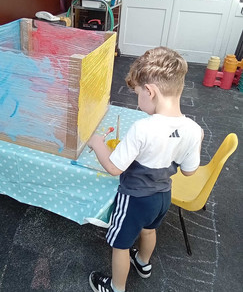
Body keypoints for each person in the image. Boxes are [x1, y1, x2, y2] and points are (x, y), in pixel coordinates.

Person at [87, 47, 204, 292]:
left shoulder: (142, 128)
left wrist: (97, 143)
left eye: (138, 93)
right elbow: (190, 172)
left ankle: (116, 287)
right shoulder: (194, 129)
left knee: (120, 244)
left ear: (150, 91)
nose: (137, 99)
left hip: (135, 199)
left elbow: (114, 167)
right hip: (162, 198)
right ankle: (143, 263)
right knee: (149, 231)